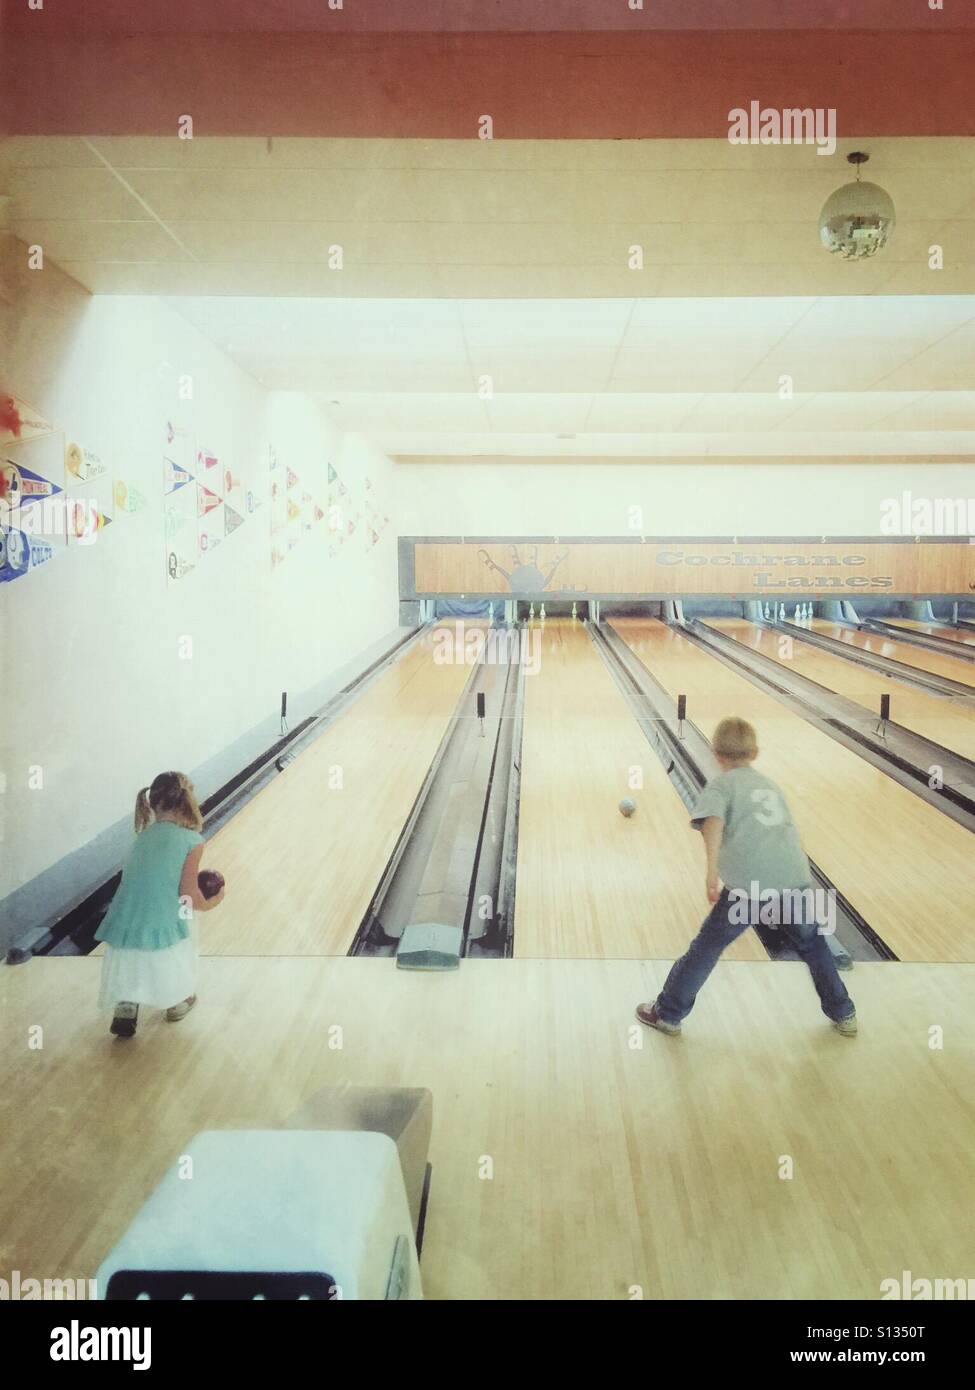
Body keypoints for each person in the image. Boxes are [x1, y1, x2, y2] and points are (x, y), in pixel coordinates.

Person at [636, 716, 856, 1038]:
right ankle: (844, 1013)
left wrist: (711, 872)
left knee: (707, 947)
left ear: (716, 754)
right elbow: (787, 833)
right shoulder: (770, 786)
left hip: (750, 888)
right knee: (813, 946)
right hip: (792, 878)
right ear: (755, 753)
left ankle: (668, 1014)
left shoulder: (723, 786)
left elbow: (712, 823)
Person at [96, 771, 224, 1038]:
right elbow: (187, 895)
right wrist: (212, 902)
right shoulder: (192, 841)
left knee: (132, 959)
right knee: (182, 929)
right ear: (187, 801)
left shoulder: (142, 837)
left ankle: (126, 1007)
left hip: (125, 918)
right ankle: (177, 1001)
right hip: (162, 919)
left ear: (152, 804)